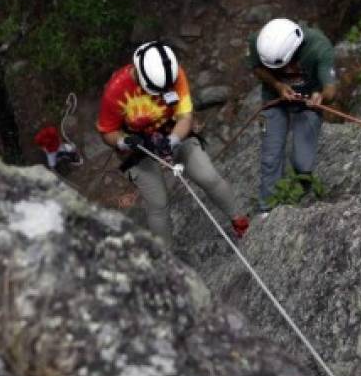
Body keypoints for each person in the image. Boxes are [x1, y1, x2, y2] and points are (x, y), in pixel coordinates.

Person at [97, 41, 250, 242]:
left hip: (173, 131)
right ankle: (165, 260)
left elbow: (185, 116)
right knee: (158, 204)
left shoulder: (174, 74)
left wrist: (172, 141)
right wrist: (124, 141)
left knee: (208, 176)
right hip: (139, 146)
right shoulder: (116, 90)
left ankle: (240, 221)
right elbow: (107, 131)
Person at [248, 18, 337, 213]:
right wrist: (278, 85)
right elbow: (257, 68)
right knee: (271, 156)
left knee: (303, 162)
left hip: (309, 101)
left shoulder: (319, 47)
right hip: (275, 98)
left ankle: (298, 198)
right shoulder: (259, 42)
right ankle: (267, 209)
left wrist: (320, 95)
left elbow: (331, 89)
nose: (282, 71)